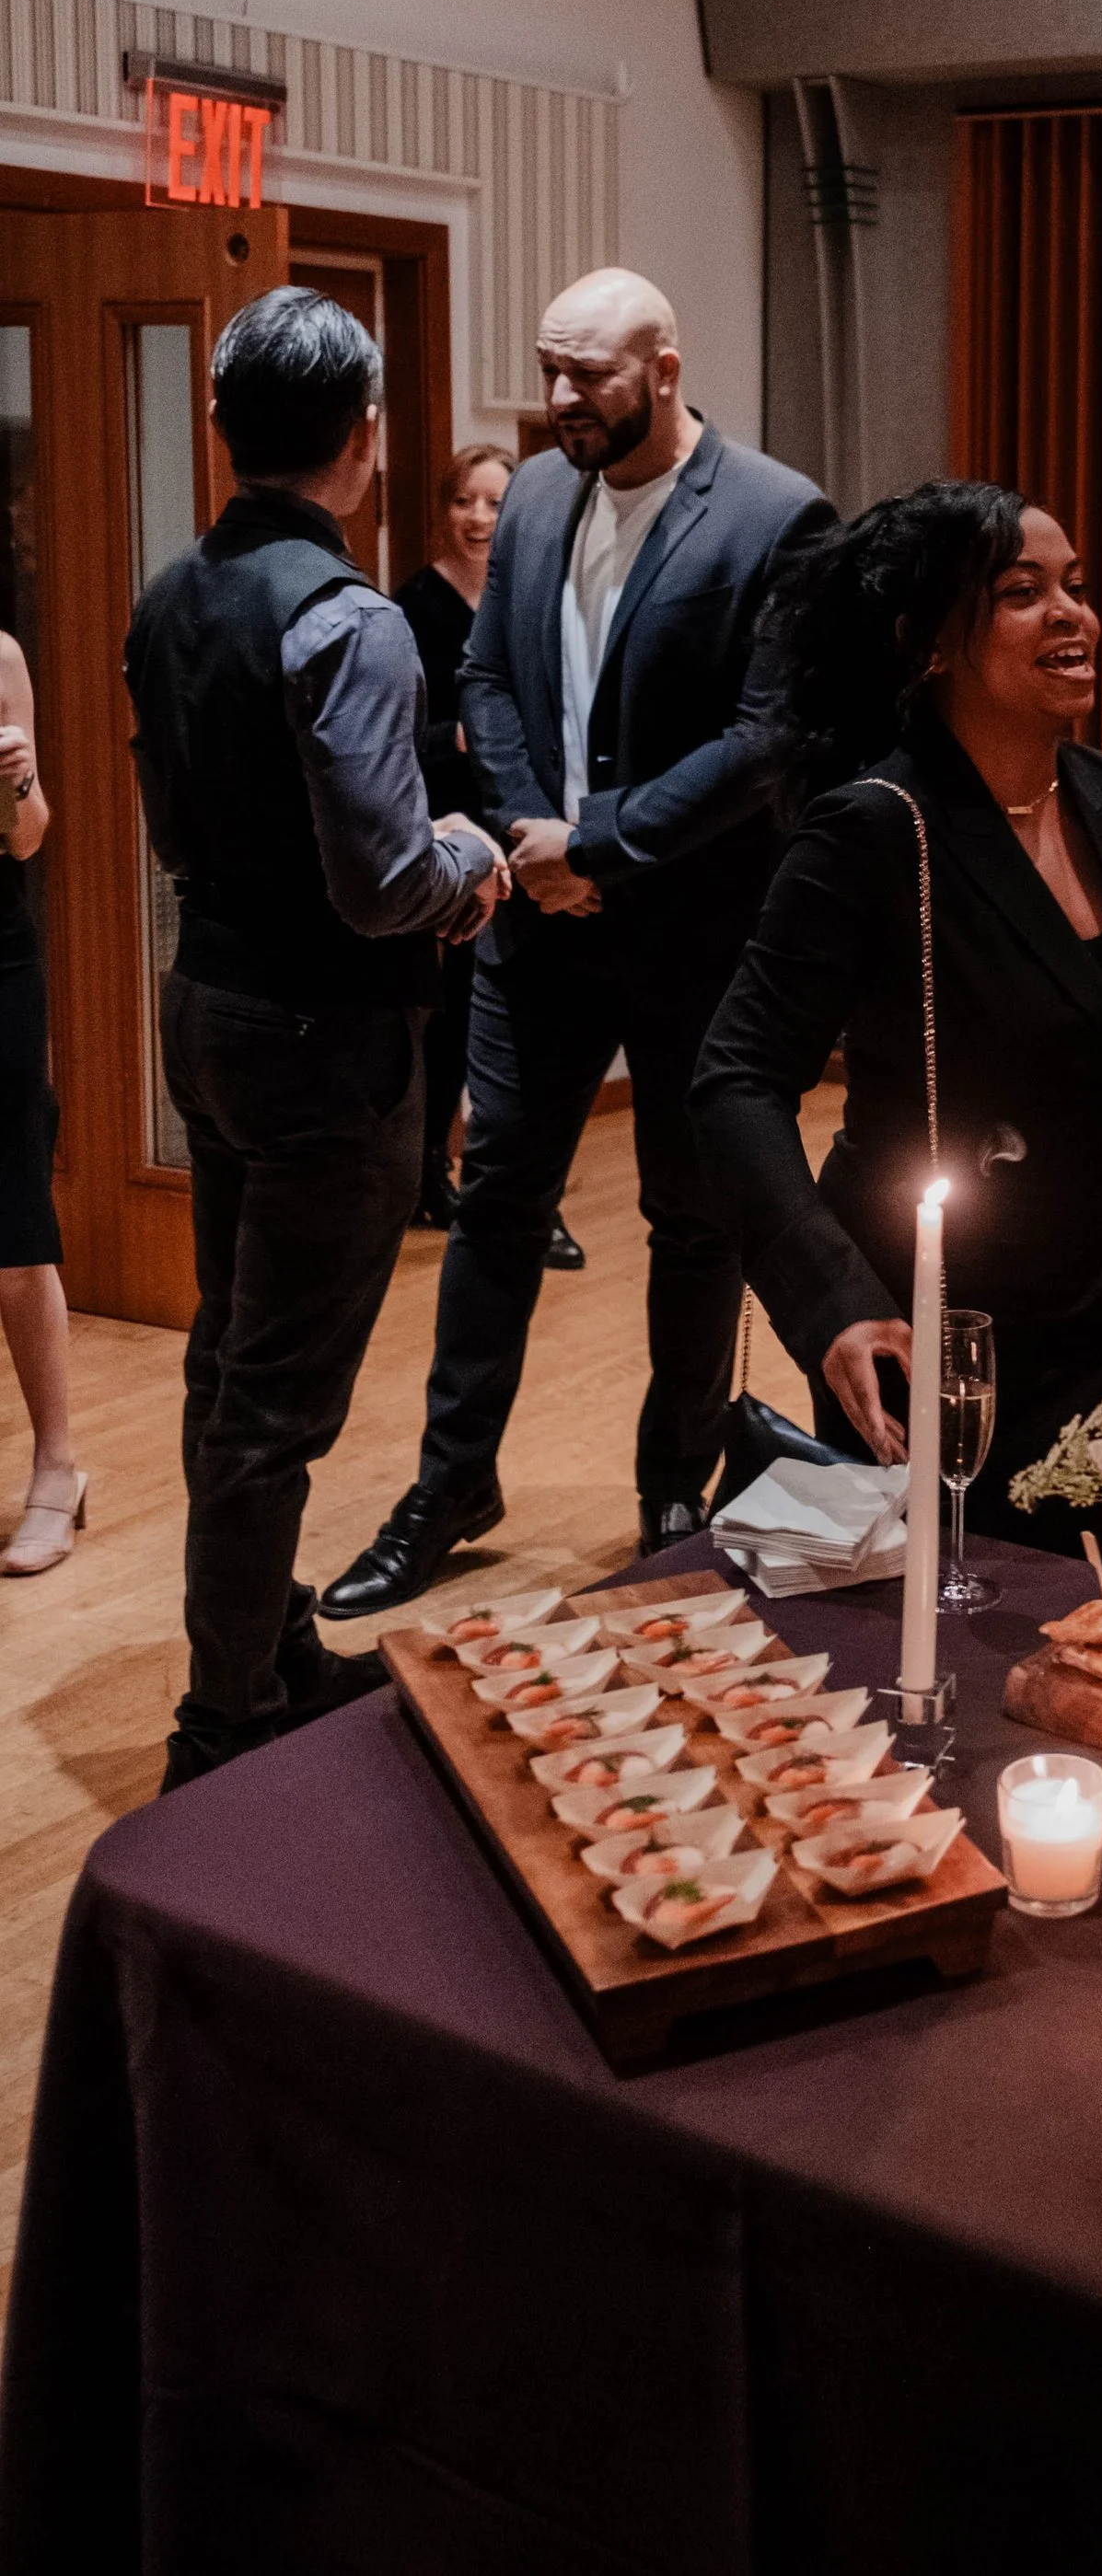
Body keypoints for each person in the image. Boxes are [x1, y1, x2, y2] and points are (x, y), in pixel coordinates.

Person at [690, 482, 1102, 1549]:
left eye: (1077, 588)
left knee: (1094, 1623)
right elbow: (734, 1080)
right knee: (939, 1646)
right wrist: (832, 1304)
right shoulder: (872, 829)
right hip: (933, 1322)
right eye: (1021, 591)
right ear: (930, 643)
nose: (1072, 614)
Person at [321, 270, 833, 1612]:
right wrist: (522, 833)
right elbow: (485, 676)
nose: (558, 403)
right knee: (496, 1203)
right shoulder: (539, 495)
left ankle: (673, 1483)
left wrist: (597, 842)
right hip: (536, 929)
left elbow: (767, 739)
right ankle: (452, 1480)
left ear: (664, 371)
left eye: (588, 377)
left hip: (691, 933)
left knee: (692, 1218)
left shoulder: (779, 515)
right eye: (549, 371)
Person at [123, 288, 508, 1785]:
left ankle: (266, 1637)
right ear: (363, 440)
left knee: (230, 1355)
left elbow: (173, 823)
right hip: (324, 1040)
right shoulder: (347, 620)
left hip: (204, 1007)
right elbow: (379, 886)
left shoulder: (167, 597)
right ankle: (225, 1723)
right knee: (274, 1394)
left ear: (224, 432)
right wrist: (472, 864)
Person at [395, 443, 586, 1270]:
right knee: (453, 1019)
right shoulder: (412, 607)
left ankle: (522, 1193)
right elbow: (391, 738)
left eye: (495, 503)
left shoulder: (537, 599)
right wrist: (459, 738)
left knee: (538, 1024)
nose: (478, 518)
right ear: (446, 509)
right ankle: (432, 1176)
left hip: (530, 832)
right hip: (450, 836)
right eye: (465, 501)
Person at [0, 635, 76, 1577]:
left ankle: (58, 1467)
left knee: (16, 1233)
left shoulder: (3, 656)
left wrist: (20, 783)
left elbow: (30, 836)